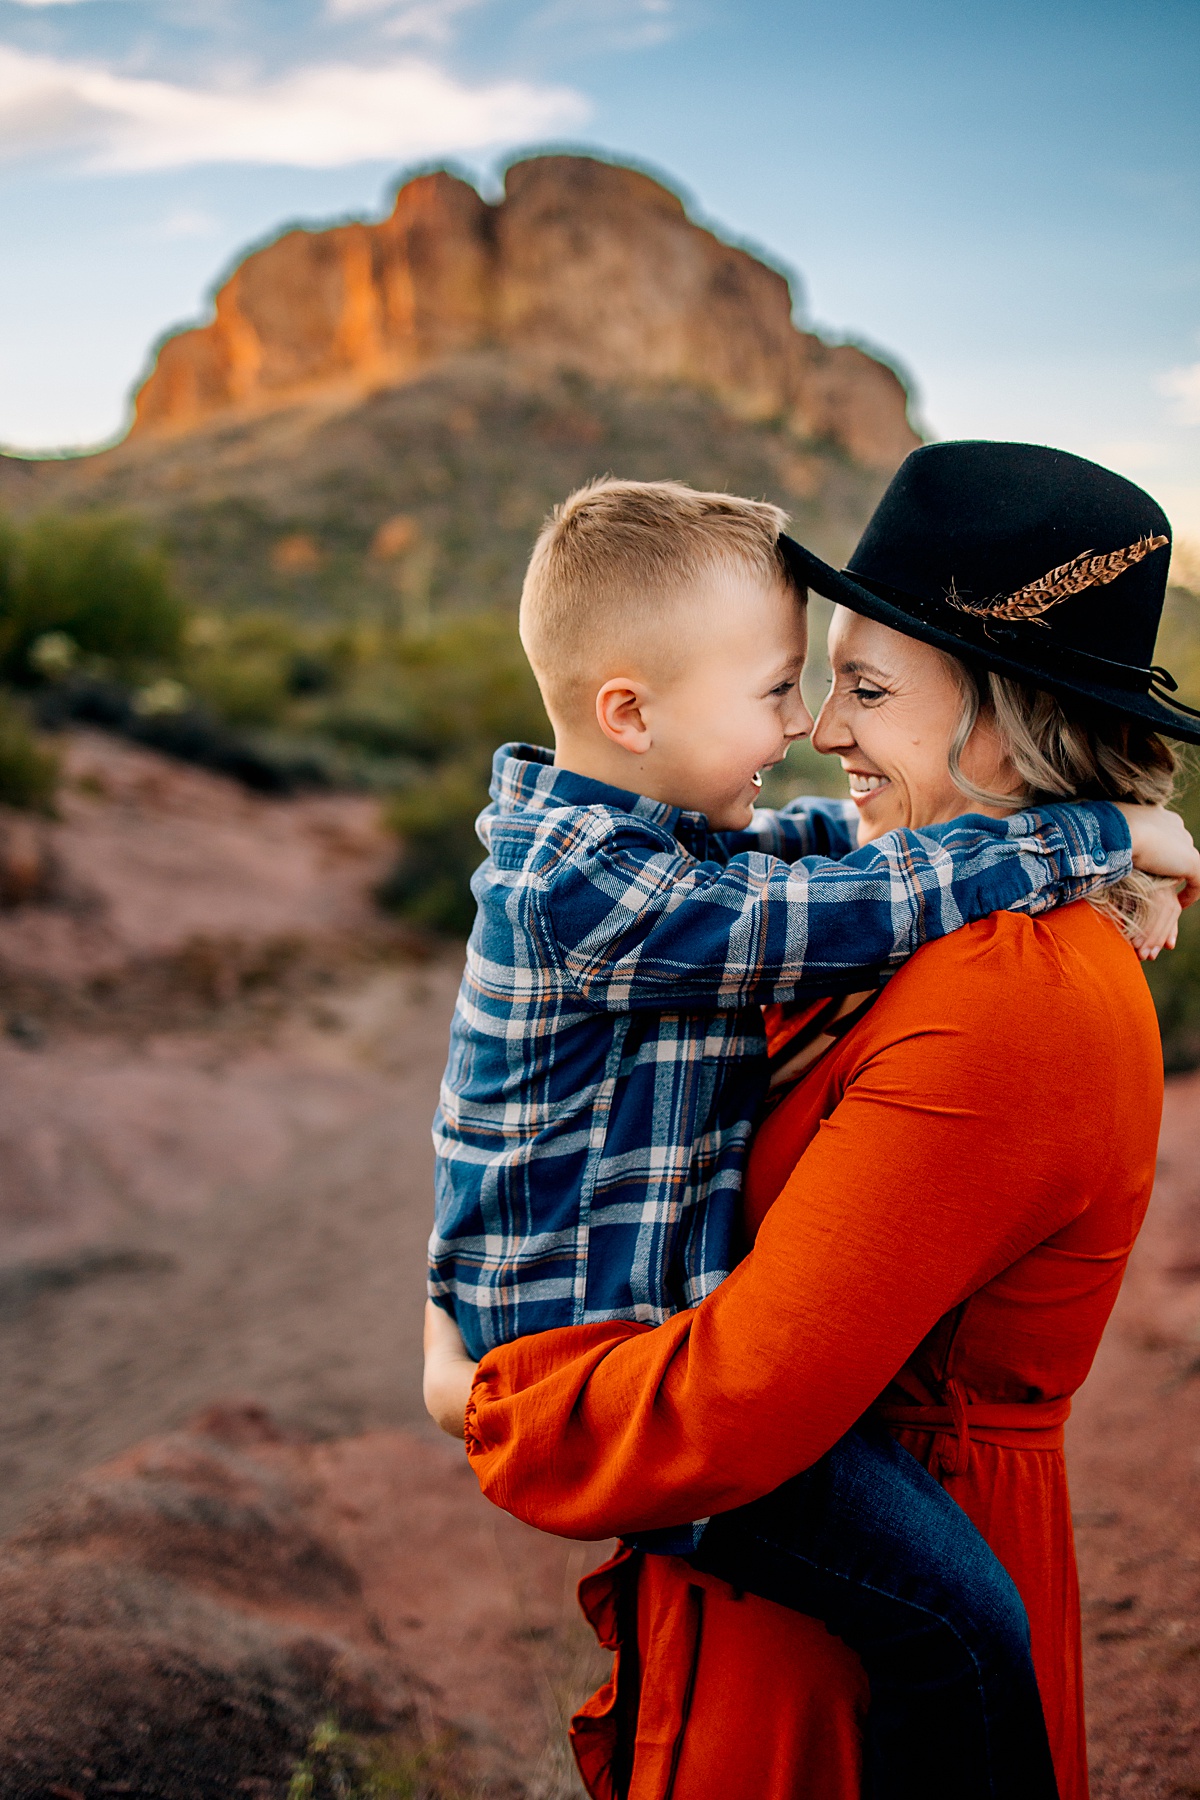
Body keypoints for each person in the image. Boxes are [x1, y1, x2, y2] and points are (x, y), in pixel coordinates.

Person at [439, 442, 1200, 1800]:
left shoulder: (1010, 993)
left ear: (1004, 714)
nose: (823, 727)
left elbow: (740, 1407)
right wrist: (1095, 833)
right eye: (808, 682)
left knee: (961, 1649)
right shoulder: (870, 916)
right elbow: (818, 882)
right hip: (758, 1540)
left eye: (864, 686)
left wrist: (486, 1396)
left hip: (841, 1623)